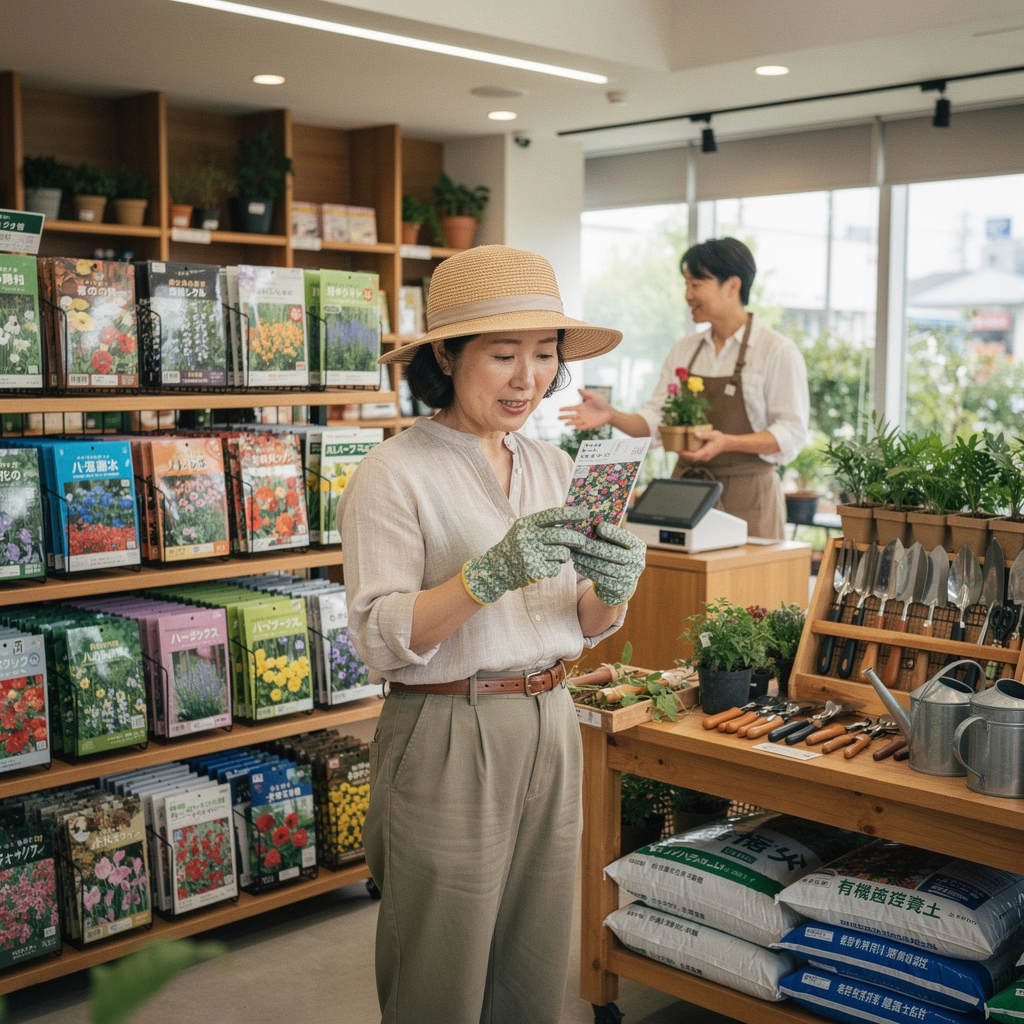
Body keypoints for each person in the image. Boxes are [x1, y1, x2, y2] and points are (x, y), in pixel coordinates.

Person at [336, 244, 644, 1024]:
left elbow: (582, 622)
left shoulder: (554, 464)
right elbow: (378, 636)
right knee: (438, 974)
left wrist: (613, 588)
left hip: (553, 719)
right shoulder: (393, 471)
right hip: (447, 730)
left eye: (545, 357)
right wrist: (485, 576)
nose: (527, 379)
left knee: (535, 971)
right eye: (503, 355)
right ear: (446, 354)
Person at [559, 236, 809, 539]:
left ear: (732, 286)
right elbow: (654, 422)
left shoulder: (776, 350)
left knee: (747, 584)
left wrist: (727, 442)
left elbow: (790, 433)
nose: (687, 295)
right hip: (686, 494)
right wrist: (612, 416)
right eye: (686, 284)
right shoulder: (684, 350)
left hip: (749, 497)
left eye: (696, 284)